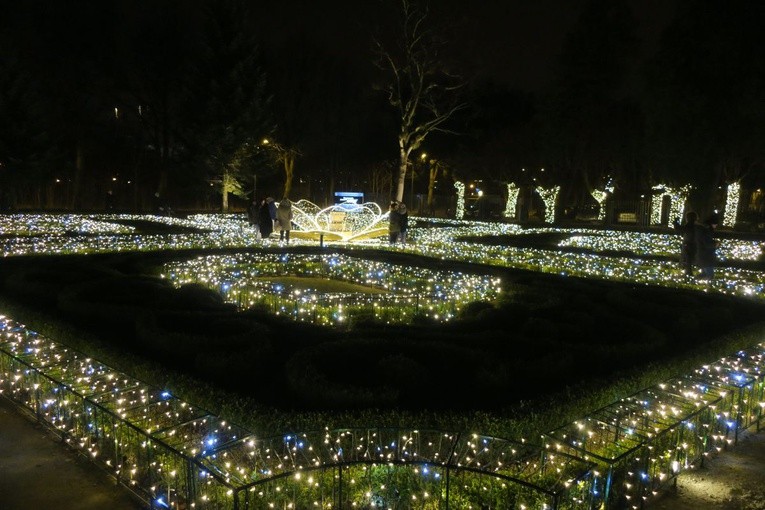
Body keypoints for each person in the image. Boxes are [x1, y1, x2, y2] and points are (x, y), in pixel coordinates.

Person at [672, 211, 698, 276]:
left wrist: (675, 223)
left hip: (688, 244)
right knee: (689, 258)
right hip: (693, 244)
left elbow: (680, 229)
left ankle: (688, 272)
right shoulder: (696, 225)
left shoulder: (689, 225)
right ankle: (688, 271)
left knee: (687, 259)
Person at [695, 215, 718, 280]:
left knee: (705, 268)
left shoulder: (702, 229)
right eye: (715, 224)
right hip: (706, 254)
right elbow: (707, 243)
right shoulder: (706, 231)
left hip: (702, 253)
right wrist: (715, 244)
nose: (716, 226)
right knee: (709, 272)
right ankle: (709, 282)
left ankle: (702, 278)